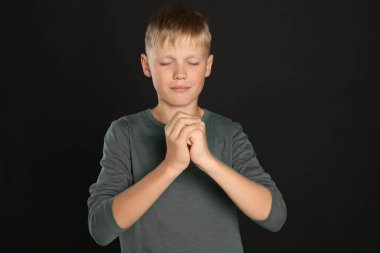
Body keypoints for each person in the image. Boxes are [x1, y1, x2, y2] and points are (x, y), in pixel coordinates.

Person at [87, 3, 287, 252]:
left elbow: (274, 216)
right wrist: (171, 165)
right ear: (146, 65)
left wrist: (207, 161)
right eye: (166, 63)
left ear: (208, 65)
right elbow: (100, 229)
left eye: (192, 62)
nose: (180, 73)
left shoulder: (229, 133)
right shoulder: (124, 133)